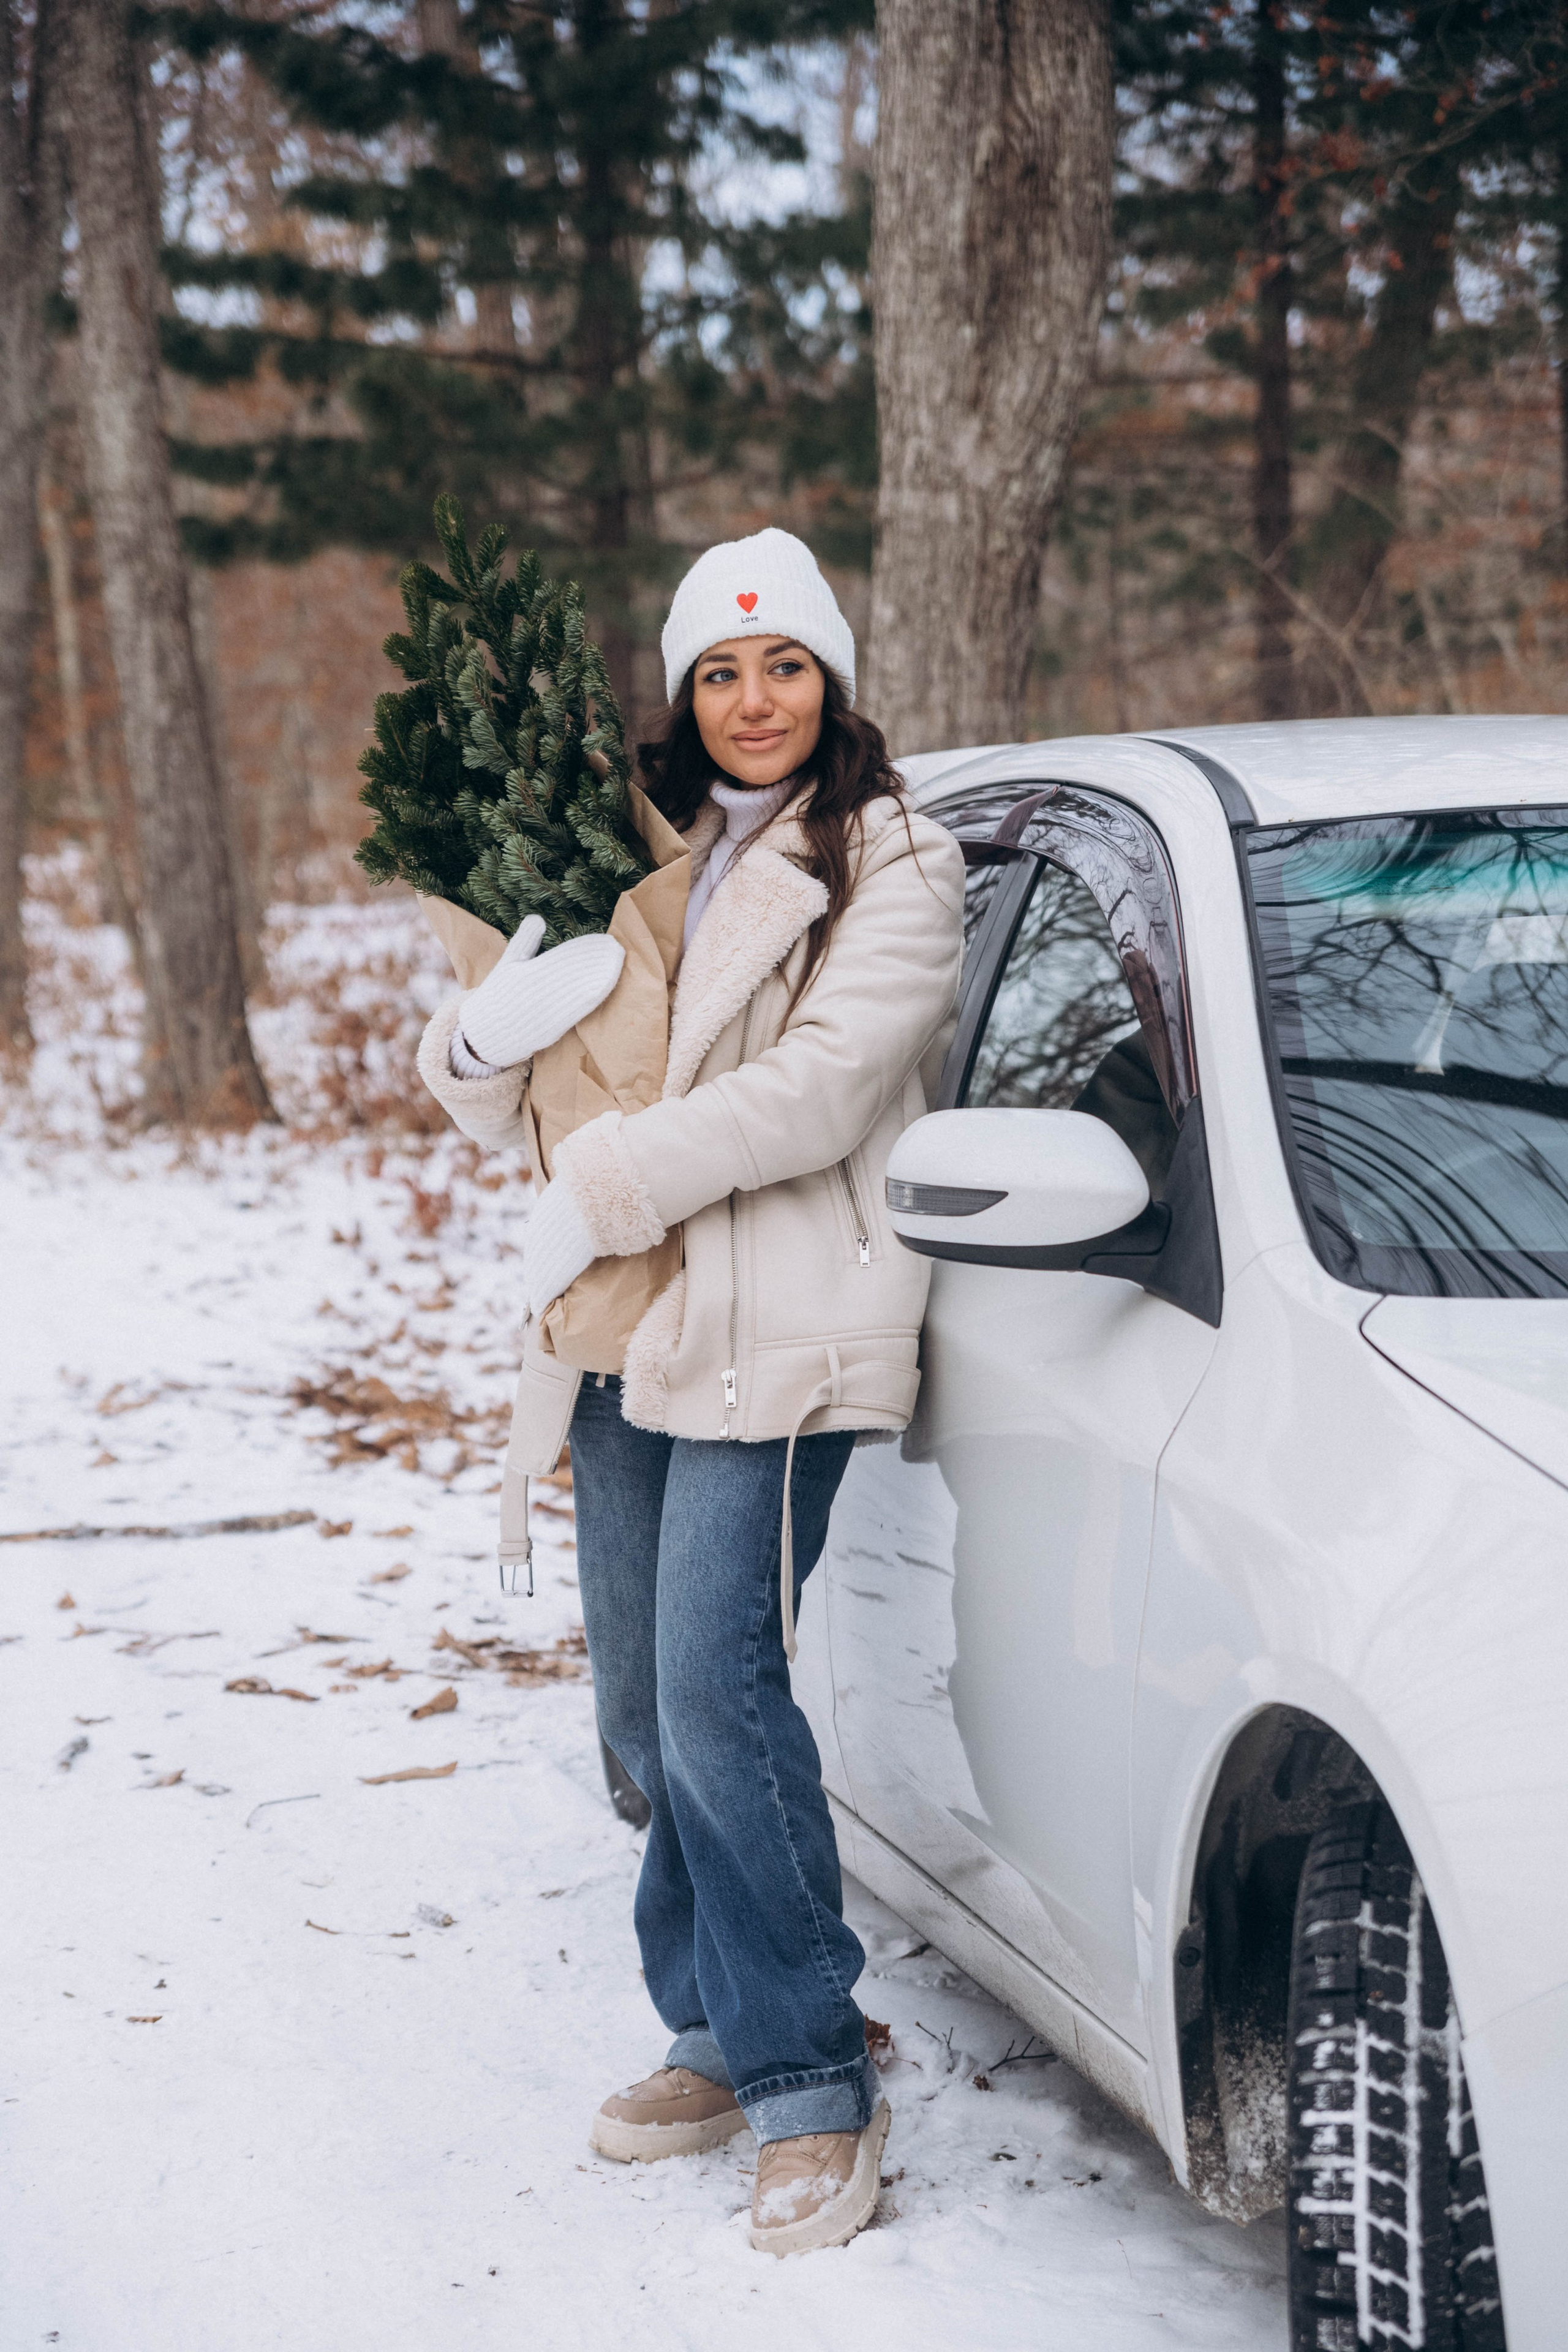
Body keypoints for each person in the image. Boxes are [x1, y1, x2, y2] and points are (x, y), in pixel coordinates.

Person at [418, 527, 965, 2256]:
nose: (754, 698)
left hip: (784, 1327)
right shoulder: (633, 862)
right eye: (721, 672)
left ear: (831, 679)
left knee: (720, 1699)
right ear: (684, 696)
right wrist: (479, 1043)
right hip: (630, 1325)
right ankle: (719, 2029)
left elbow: (820, 1090)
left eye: (784, 663)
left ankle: (810, 2078)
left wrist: (607, 1182)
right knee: (648, 1723)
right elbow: (531, 1084)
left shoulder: (895, 857)